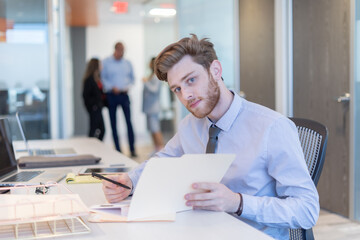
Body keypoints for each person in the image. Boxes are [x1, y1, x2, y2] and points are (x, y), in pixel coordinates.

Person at [101, 35, 319, 239]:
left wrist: (237, 202)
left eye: (191, 80)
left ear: (215, 70)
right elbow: (163, 159)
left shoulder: (272, 127)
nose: (185, 95)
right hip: (200, 230)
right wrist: (130, 181)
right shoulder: (190, 125)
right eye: (176, 89)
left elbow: (307, 210)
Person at [101, 42, 137, 157]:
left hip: (124, 95)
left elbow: (132, 78)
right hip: (112, 95)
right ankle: (118, 150)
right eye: (120, 50)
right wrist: (111, 87)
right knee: (113, 124)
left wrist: (128, 86)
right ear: (116, 50)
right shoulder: (106, 62)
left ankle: (132, 149)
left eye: (123, 51)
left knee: (129, 122)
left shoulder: (127, 63)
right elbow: (103, 78)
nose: (122, 53)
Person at [142, 57, 164, 153]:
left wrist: (146, 82)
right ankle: (156, 148)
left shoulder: (156, 76)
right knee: (152, 129)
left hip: (153, 108)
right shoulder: (151, 75)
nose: (149, 64)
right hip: (149, 108)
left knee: (156, 129)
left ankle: (161, 148)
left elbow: (154, 90)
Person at [82, 58, 105, 140]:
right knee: (94, 129)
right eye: (100, 64)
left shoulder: (98, 79)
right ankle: (92, 147)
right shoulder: (89, 80)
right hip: (94, 108)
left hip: (99, 107)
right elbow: (85, 95)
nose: (101, 66)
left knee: (101, 129)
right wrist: (93, 105)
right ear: (96, 66)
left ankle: (97, 146)